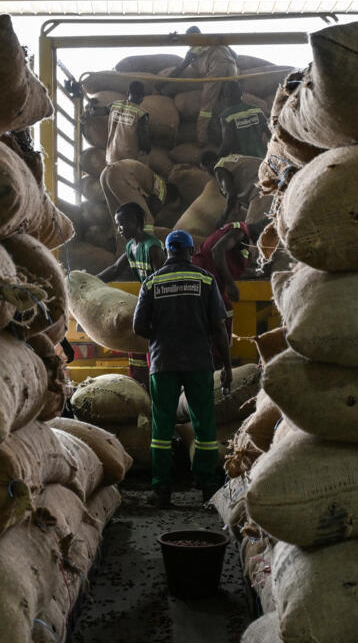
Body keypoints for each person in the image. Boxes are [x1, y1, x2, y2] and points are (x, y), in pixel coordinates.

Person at [133, 230, 233, 508]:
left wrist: (161, 334)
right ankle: (207, 486)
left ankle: (162, 490)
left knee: (162, 426)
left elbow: (138, 327)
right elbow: (218, 328)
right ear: (190, 252)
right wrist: (226, 365)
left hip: (163, 362)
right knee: (204, 425)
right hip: (199, 362)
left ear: (167, 252)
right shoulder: (205, 279)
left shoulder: (152, 283)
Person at [96, 202, 164, 387]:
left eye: (123, 224)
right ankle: (141, 385)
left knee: (154, 353)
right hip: (147, 304)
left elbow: (162, 283)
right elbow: (116, 269)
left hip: (158, 307)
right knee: (136, 349)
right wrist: (90, 281)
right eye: (118, 225)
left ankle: (155, 388)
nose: (120, 229)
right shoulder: (131, 247)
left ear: (136, 221)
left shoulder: (153, 248)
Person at [192, 219, 268, 360]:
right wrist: (231, 285)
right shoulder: (239, 231)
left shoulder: (242, 240)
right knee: (222, 314)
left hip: (210, 281)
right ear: (262, 229)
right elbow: (217, 251)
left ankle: (217, 355)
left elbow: (229, 264)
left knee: (221, 313)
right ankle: (217, 357)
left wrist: (254, 272)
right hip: (204, 280)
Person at [170, 26, 238, 145]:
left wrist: (164, 82)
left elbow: (181, 67)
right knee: (230, 101)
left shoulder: (194, 48)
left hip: (216, 69)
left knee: (207, 104)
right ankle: (234, 134)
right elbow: (235, 55)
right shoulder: (215, 39)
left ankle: (202, 138)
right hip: (233, 69)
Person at [99, 158, 168, 234]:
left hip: (105, 174)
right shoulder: (162, 192)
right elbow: (147, 217)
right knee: (145, 220)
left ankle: (125, 245)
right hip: (119, 175)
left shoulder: (153, 180)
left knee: (119, 225)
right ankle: (150, 246)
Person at [217, 81, 270, 158]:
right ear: (241, 94)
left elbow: (227, 143)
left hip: (242, 159)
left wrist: (218, 157)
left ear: (225, 96)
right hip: (262, 156)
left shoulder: (226, 116)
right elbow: (270, 132)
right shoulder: (256, 109)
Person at [209, 152, 264, 226]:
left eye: (205, 169)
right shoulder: (232, 159)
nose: (208, 173)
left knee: (250, 229)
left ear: (207, 163)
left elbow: (231, 195)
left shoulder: (219, 168)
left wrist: (223, 217)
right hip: (273, 177)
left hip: (261, 189)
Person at [105, 81, 150, 164]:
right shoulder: (140, 113)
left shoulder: (115, 105)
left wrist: (91, 107)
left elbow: (98, 111)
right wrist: (146, 149)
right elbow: (143, 137)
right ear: (143, 96)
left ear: (128, 92)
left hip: (111, 156)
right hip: (129, 158)